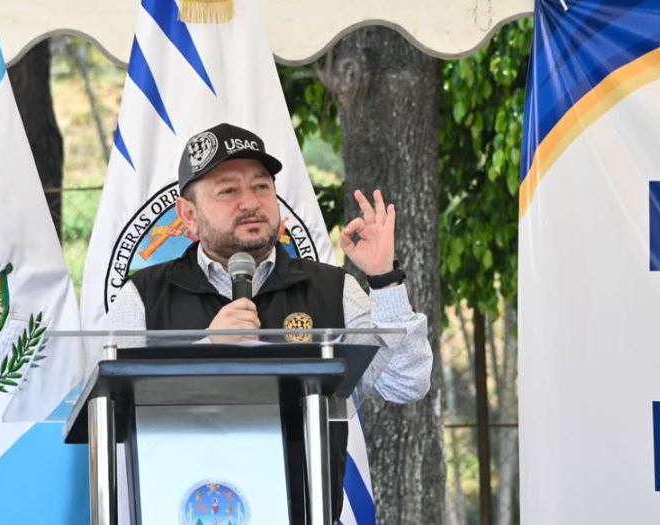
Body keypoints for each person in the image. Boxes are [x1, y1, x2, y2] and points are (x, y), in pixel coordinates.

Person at [106, 122, 433, 519]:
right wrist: (207, 350)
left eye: (261, 186)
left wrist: (384, 280)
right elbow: (108, 409)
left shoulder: (332, 290)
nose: (250, 202)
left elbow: (406, 383)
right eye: (228, 190)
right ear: (188, 215)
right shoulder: (144, 296)